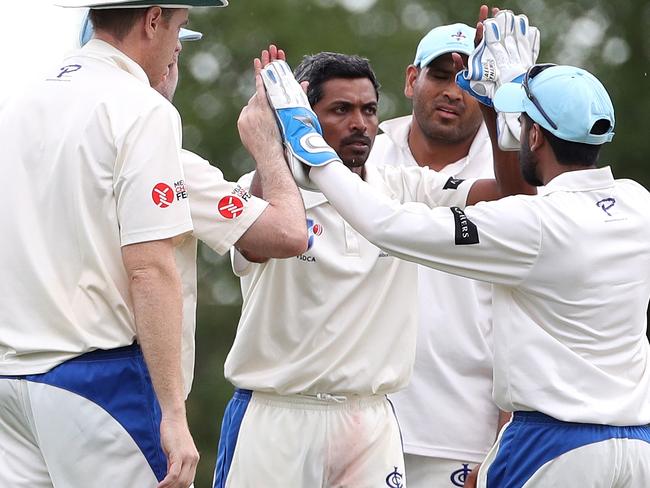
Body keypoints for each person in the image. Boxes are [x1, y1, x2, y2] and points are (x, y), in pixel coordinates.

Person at [291, 59, 650, 487]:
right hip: (638, 445)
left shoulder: (532, 222)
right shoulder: (637, 202)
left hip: (553, 445)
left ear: (534, 135)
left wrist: (315, 156)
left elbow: (387, 226)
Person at [218, 51, 530, 488]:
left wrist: (500, 106)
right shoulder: (261, 188)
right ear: (302, 115)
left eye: (368, 110)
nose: (360, 124)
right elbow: (255, 247)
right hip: (276, 414)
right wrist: (270, 143)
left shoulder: (404, 186)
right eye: (341, 110)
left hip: (369, 419)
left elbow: (513, 197)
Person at [0, 2, 280, 487]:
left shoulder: (21, 100)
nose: (177, 47)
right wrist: (173, 412)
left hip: (11, 379)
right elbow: (149, 268)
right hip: (99, 382)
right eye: (180, 27)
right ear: (153, 20)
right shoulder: (140, 106)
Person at [79, 11, 308, 401]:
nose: (177, 52)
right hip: (120, 387)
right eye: (175, 41)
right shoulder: (167, 159)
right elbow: (288, 233)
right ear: (149, 30)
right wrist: (270, 142)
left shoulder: (45, 133)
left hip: (24, 376)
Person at [366, 23, 510, 487]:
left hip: (464, 431)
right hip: (358, 420)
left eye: (469, 80)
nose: (453, 92)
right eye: (441, 75)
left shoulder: (513, 170)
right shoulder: (363, 153)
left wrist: (508, 435)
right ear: (412, 80)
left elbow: (530, 305)